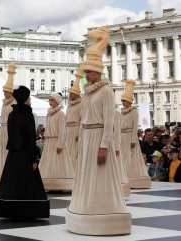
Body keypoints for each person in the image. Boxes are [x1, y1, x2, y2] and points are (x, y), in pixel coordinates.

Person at [66, 26, 131, 235]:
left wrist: (104, 146)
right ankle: (86, 205)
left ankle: (103, 208)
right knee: (86, 173)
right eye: (85, 71)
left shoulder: (106, 92)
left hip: (99, 137)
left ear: (98, 71)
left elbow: (110, 122)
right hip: (87, 137)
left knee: (101, 173)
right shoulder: (88, 93)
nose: (86, 74)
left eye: (88, 71)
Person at [0, 86, 49, 219]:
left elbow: (11, 134)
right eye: (28, 97)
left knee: (11, 181)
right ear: (25, 98)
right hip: (25, 154)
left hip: (13, 153)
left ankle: (9, 209)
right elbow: (29, 137)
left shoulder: (12, 114)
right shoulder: (27, 114)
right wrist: (33, 158)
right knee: (27, 182)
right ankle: (28, 210)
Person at [38, 92, 74, 191]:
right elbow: (47, 125)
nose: (50, 102)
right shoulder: (49, 113)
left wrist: (60, 144)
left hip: (56, 140)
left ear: (57, 101)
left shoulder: (61, 114)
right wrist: (45, 136)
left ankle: (60, 184)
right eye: (49, 100)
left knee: (58, 162)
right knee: (48, 161)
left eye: (52, 100)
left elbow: (62, 130)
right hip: (49, 141)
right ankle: (48, 183)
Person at [120, 80, 151, 189]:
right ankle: (122, 177)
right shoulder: (121, 112)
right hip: (122, 137)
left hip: (129, 137)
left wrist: (133, 140)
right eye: (122, 101)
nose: (123, 103)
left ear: (129, 101)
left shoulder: (134, 112)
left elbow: (134, 127)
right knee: (123, 157)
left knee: (131, 157)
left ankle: (132, 177)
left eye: (125, 101)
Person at [65, 66, 82, 171]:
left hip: (76, 129)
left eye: (72, 93)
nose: (70, 95)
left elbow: (83, 119)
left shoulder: (81, 104)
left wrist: (79, 133)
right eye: (70, 92)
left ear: (77, 94)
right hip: (68, 130)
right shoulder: (69, 105)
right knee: (67, 151)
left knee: (75, 152)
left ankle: (76, 171)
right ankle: (68, 171)